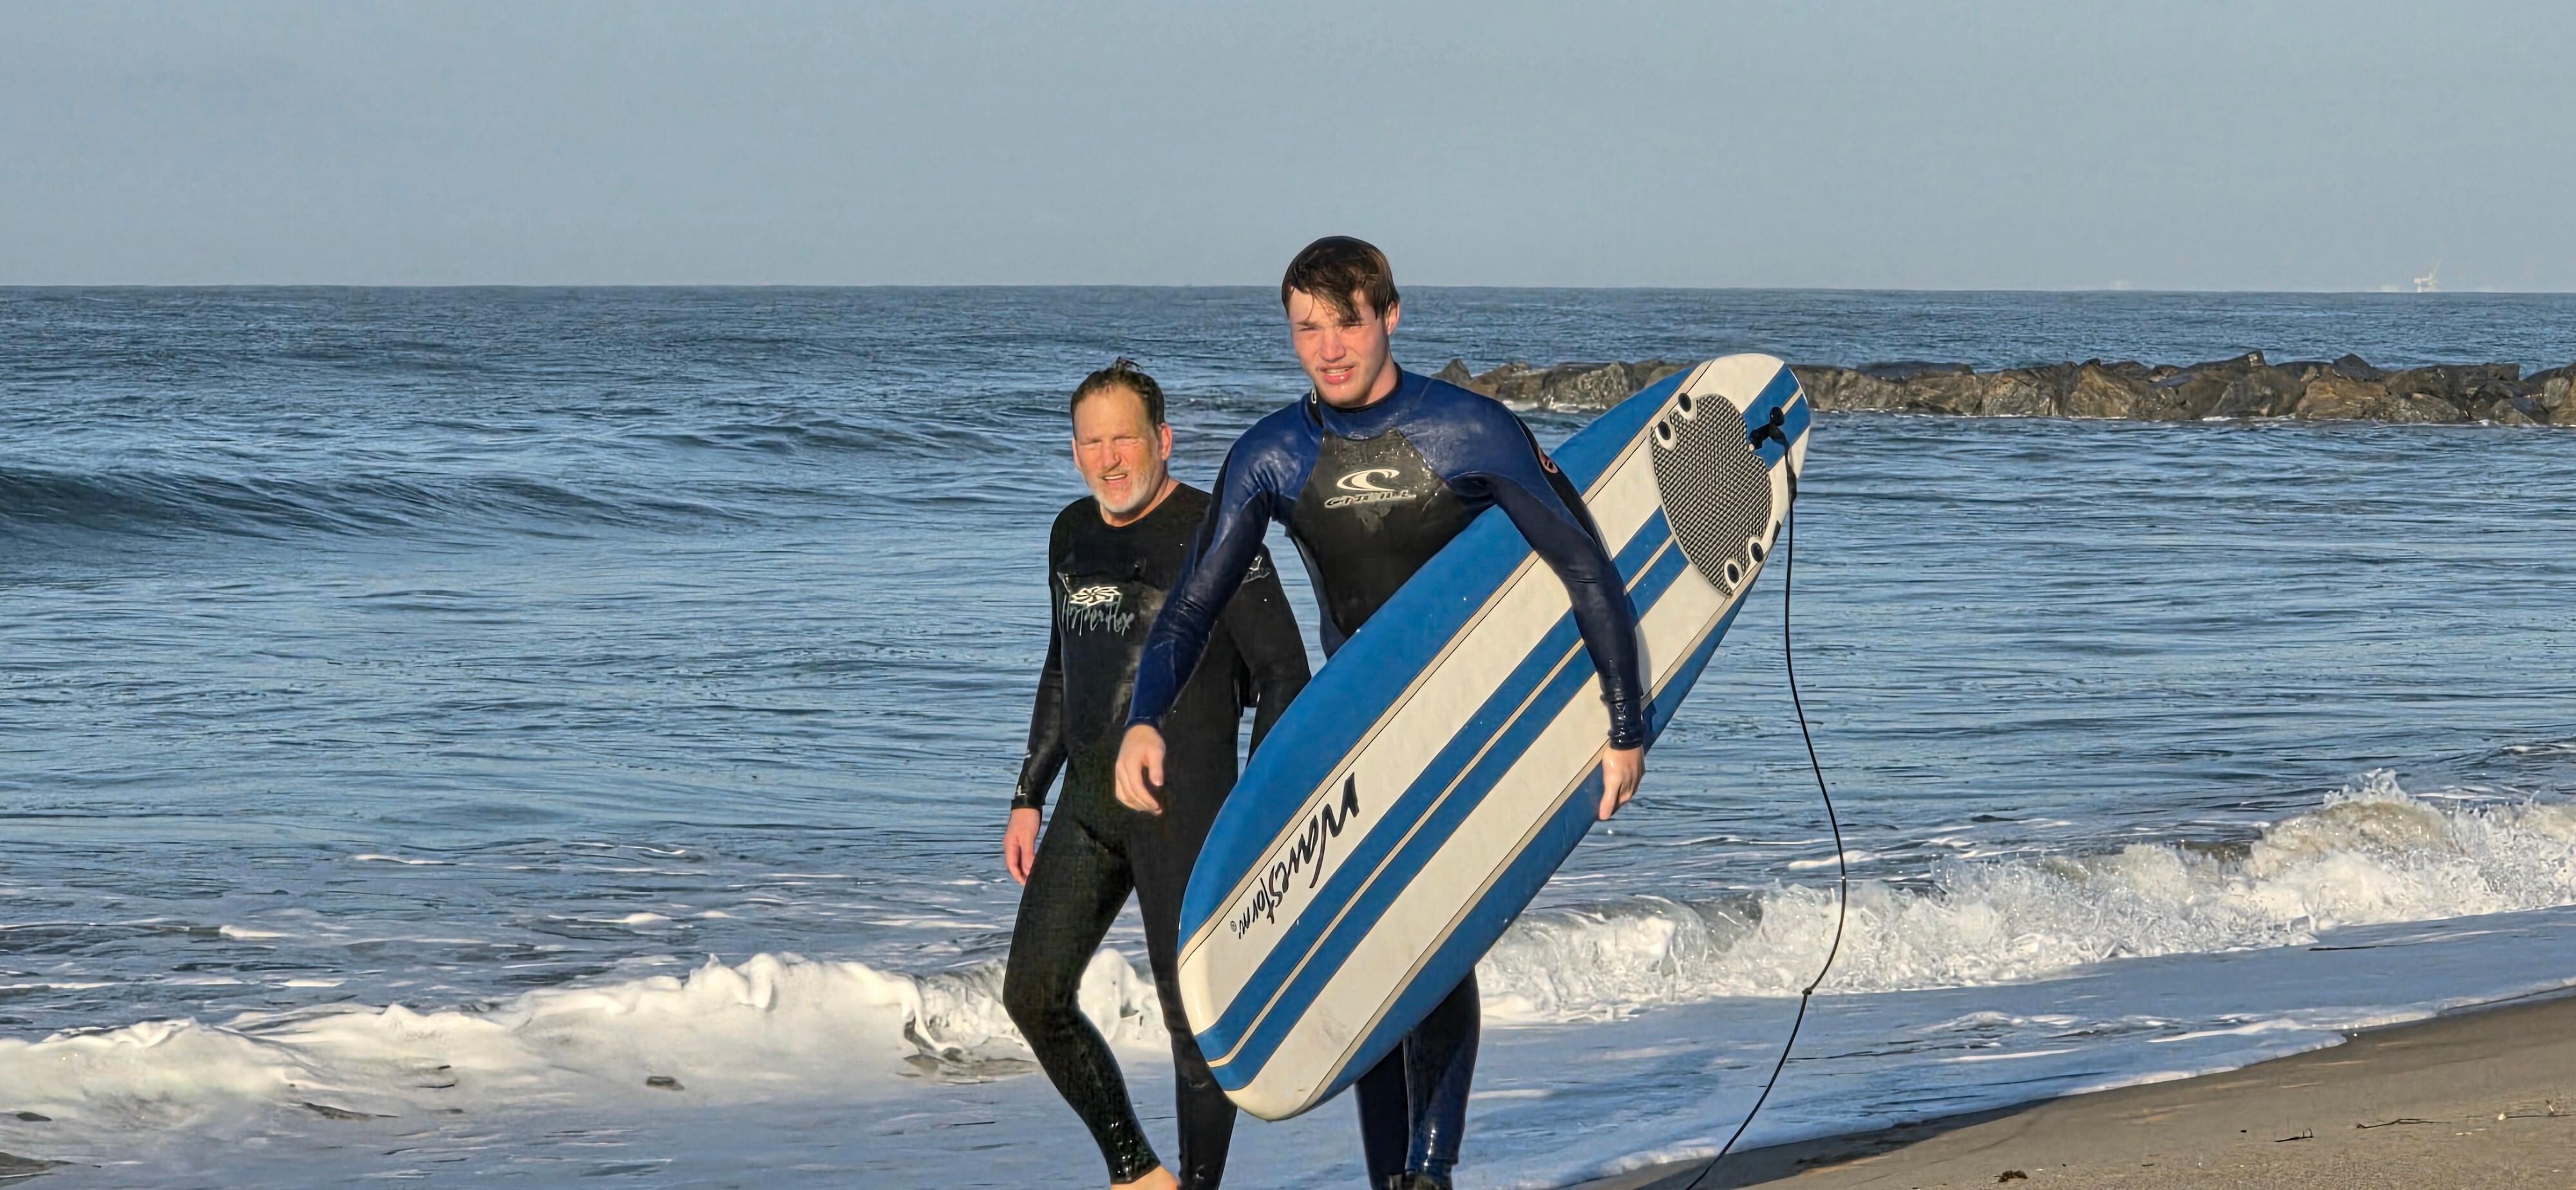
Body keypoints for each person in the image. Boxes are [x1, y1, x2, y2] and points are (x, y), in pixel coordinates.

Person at [1114, 239, 1649, 1190]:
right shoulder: (1274, 455)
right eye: (1306, 328)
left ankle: (1430, 1171)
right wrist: (1145, 716)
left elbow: (1585, 568)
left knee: (1433, 941)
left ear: (1390, 315)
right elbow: (1194, 605)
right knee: (1369, 959)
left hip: (1472, 720)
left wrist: (1623, 724)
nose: (1327, 347)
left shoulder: (1472, 431)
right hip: (1359, 732)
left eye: (1346, 321)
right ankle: (1390, 1179)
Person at [1003, 359, 1311, 1190]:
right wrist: (1028, 795)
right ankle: (1138, 1172)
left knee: (1193, 1025)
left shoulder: (1217, 529)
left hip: (1192, 806)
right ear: (1075, 452)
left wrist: (1257, 808)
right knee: (1032, 994)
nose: (1110, 459)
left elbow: (1286, 673)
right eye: (1092, 443)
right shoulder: (1071, 531)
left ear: (1163, 441)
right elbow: (1063, 666)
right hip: (1090, 804)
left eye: (1125, 439)